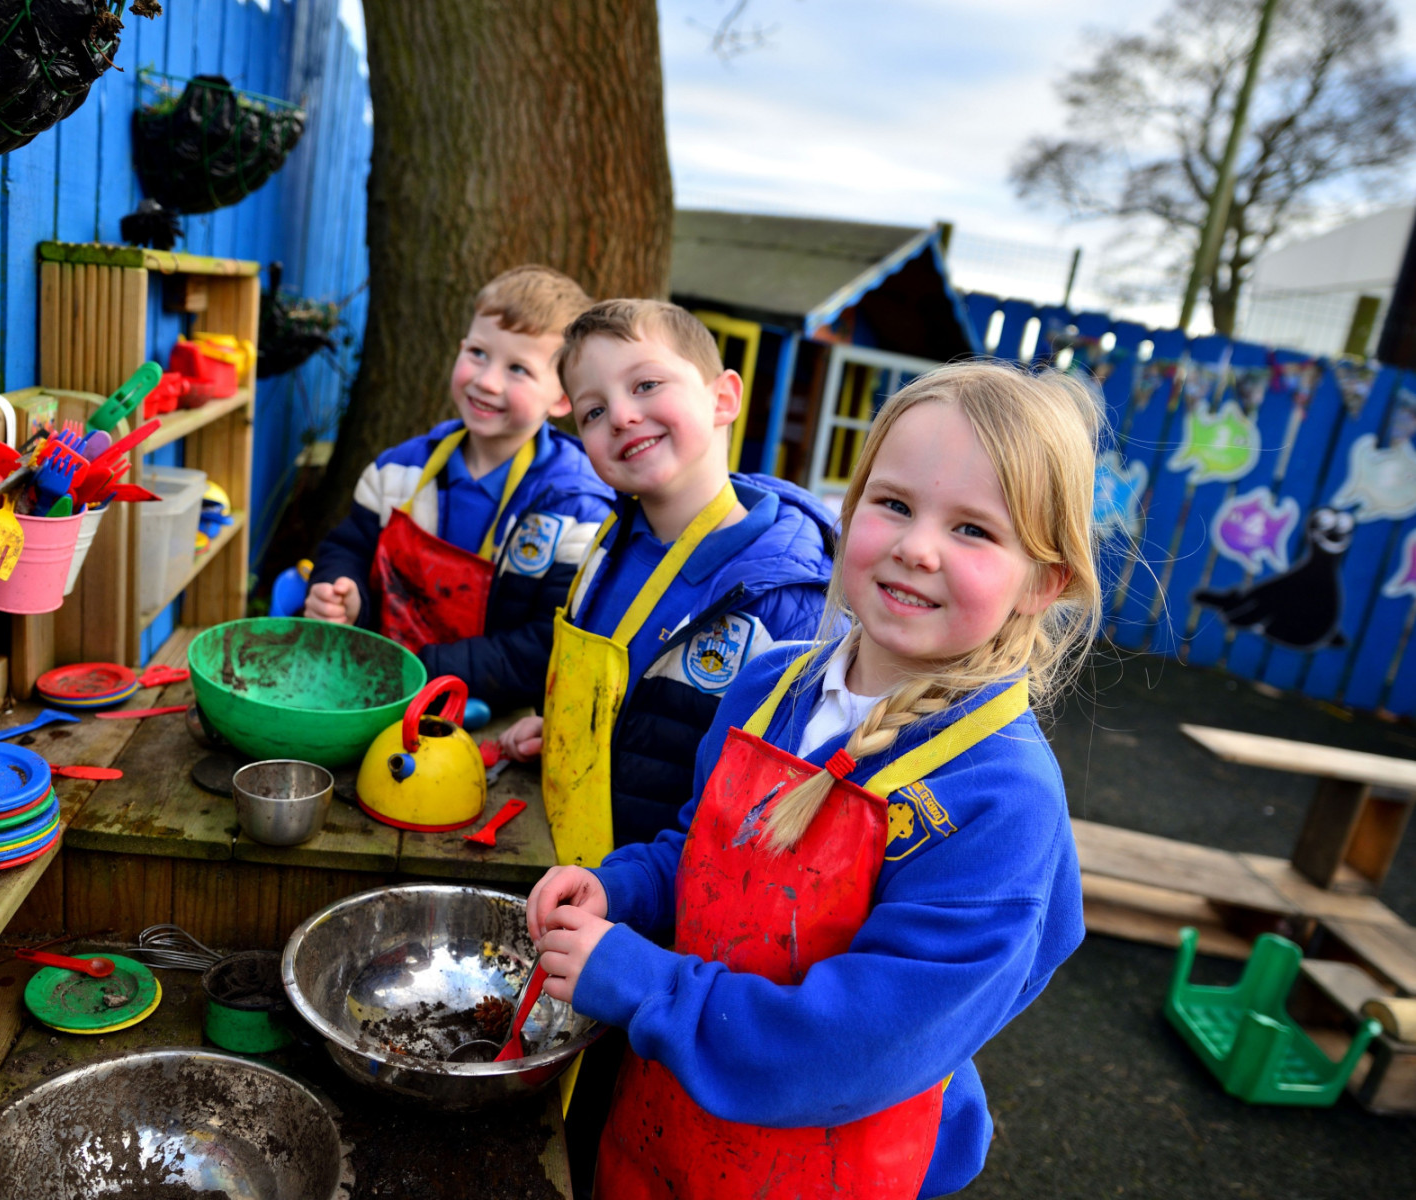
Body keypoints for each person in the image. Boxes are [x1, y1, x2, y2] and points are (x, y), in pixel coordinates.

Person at [525, 360, 1103, 1199]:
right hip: (665, 1132)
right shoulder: (769, 685)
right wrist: (619, 892)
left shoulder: (999, 799)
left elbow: (853, 1046)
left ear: (1045, 581)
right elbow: (700, 850)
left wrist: (640, 978)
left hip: (818, 1169)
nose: (917, 547)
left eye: (974, 530)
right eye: (895, 504)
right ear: (850, 507)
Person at [498, 298, 833, 864]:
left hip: (667, 910)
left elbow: (777, 808)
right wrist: (566, 730)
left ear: (723, 398)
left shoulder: (788, 596)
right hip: (565, 859)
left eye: (647, 384)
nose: (623, 416)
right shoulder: (608, 544)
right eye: (593, 412)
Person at [304, 265, 613, 712]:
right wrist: (341, 592)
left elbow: (547, 645)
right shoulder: (398, 472)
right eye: (478, 353)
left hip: (495, 712)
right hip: (374, 688)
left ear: (563, 398)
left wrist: (421, 667)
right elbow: (348, 546)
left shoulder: (576, 512)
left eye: (518, 369)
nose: (486, 381)